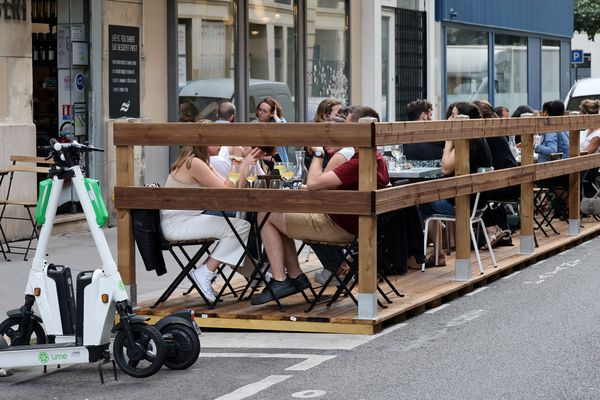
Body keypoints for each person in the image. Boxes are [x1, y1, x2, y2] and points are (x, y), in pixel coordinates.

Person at [250, 106, 389, 305]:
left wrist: (317, 153)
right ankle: (294, 277)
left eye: (347, 126)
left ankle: (282, 279)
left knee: (265, 213)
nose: (343, 131)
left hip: (340, 227)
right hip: (357, 225)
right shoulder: (375, 158)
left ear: (360, 130)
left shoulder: (357, 161)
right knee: (277, 213)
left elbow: (314, 184)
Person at [160, 144, 262, 303]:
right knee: (240, 226)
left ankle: (254, 272)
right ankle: (206, 272)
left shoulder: (202, 162)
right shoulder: (193, 163)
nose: (221, 144)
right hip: (178, 223)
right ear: (202, 143)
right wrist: (237, 161)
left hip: (186, 219)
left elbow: (232, 190)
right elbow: (227, 193)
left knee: (240, 225)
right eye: (215, 140)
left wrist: (243, 164)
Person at [420, 102, 493, 267]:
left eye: (453, 115)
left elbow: (445, 168)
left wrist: (448, 142)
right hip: (478, 205)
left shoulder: (466, 141)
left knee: (422, 199)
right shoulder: (479, 138)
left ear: (463, 119)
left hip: (463, 206)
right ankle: (440, 251)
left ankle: (437, 254)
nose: (449, 118)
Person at [254, 97, 289, 163]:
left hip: (278, 159)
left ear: (272, 113)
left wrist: (275, 116)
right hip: (260, 159)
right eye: (260, 109)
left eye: (264, 111)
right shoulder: (255, 123)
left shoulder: (278, 121)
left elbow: (284, 129)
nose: (260, 113)